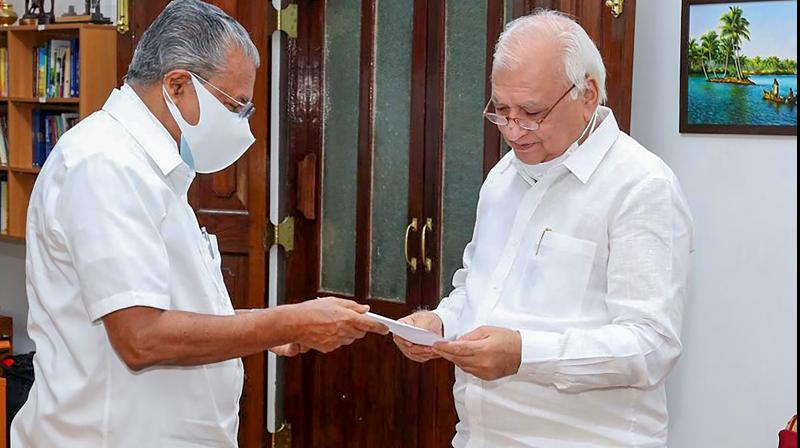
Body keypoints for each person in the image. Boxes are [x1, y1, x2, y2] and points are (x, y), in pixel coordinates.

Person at [11, 1, 386, 447]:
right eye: (235, 106)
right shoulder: (105, 164)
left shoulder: (154, 169)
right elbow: (141, 336)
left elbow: (178, 309)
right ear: (177, 84)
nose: (243, 125)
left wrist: (271, 326)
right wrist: (286, 324)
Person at [394, 10, 693, 448]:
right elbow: (478, 289)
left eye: (531, 112)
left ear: (587, 94)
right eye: (501, 110)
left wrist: (523, 354)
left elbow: (649, 346)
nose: (513, 131)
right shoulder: (502, 177)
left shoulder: (641, 187)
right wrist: (440, 323)